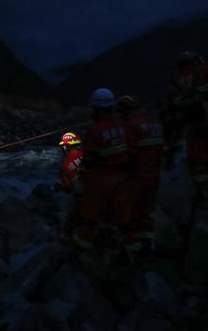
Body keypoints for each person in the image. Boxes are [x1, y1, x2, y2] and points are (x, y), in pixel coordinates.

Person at [161, 52, 208, 193]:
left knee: (197, 155)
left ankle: (201, 188)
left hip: (193, 124)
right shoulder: (202, 72)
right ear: (194, 62)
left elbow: (170, 104)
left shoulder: (175, 81)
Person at [69, 88, 131, 258]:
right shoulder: (122, 126)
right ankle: (117, 252)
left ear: (95, 109)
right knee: (115, 218)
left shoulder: (94, 131)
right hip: (122, 179)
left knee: (88, 218)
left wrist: (80, 179)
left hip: (101, 181)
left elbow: (89, 160)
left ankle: (80, 251)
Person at [117, 95, 165, 260]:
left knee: (130, 215)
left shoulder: (131, 126)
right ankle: (148, 246)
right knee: (146, 214)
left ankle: (132, 252)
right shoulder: (154, 125)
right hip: (154, 178)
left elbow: (128, 155)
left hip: (137, 179)